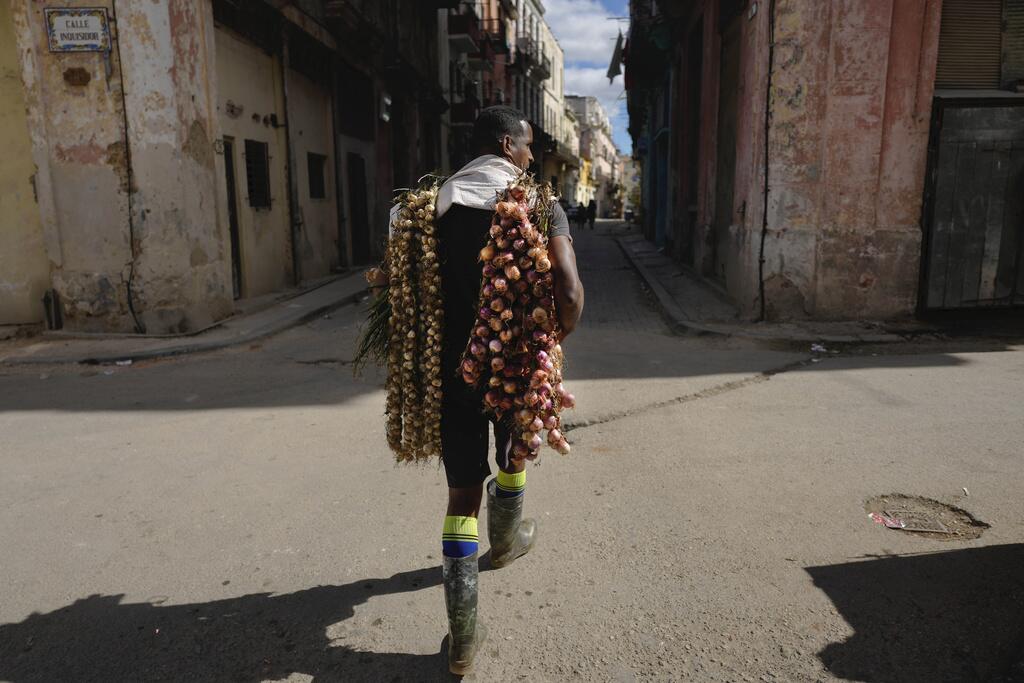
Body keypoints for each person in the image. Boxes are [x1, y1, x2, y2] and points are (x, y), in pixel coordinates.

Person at [434, 106, 584, 674]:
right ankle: (506, 543)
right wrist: (552, 336)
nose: (530, 158)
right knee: (517, 446)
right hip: (518, 362)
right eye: (525, 148)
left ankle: (464, 637)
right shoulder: (540, 205)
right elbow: (568, 293)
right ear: (506, 145)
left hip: (457, 367)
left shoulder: (437, 205)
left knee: (462, 492)